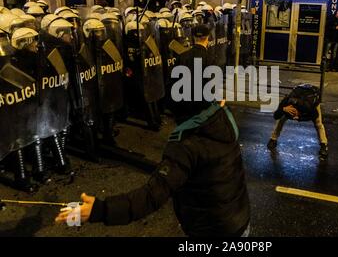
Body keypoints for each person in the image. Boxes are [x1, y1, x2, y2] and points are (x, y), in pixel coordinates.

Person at [55, 24, 251, 237]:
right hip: (239, 221)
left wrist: (98, 210)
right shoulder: (221, 118)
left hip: (211, 231)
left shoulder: (186, 145)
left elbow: (150, 197)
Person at [267, 84, 329, 160]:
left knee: (318, 123)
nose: (293, 117)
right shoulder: (286, 102)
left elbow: (314, 116)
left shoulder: (308, 107)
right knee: (281, 119)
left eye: (293, 114)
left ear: (298, 111)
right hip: (299, 95)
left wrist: (300, 118)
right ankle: (273, 139)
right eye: (291, 115)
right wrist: (283, 109)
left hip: (312, 99)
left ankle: (324, 145)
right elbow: (275, 116)